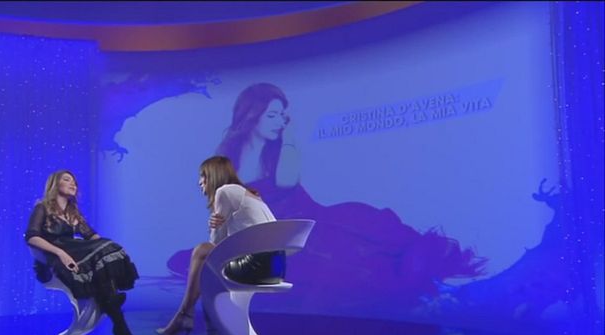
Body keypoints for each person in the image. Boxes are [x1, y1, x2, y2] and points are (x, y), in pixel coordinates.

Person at [168, 82, 486, 308]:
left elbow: (286, 182)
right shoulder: (227, 156)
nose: (280, 122)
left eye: (283, 115)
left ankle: (436, 288)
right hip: (260, 234)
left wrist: (289, 136)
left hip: (302, 222)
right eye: (272, 115)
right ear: (252, 115)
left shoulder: (283, 151)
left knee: (356, 248)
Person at [156, 156, 284, 335]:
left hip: (258, 265)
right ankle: (209, 331)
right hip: (274, 267)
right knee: (207, 274)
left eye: (203, 176)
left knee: (202, 252)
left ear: (213, 175)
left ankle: (187, 316)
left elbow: (216, 244)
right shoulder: (248, 194)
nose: (199, 182)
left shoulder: (225, 191)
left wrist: (213, 226)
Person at [25, 170, 141, 335]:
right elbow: (32, 237)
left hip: (77, 254)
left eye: (74, 182)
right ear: (55, 184)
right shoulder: (42, 207)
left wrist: (105, 254)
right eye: (67, 180)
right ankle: (119, 324)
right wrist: (61, 253)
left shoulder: (73, 212)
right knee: (103, 278)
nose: (73, 184)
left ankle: (119, 324)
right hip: (53, 258)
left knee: (106, 256)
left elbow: (91, 236)